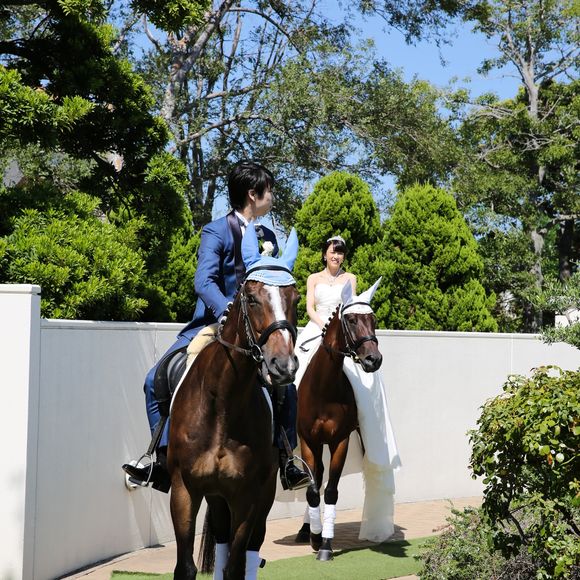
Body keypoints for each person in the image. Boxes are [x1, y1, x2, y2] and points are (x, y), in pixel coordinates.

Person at [123, 161, 310, 492]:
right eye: (269, 191)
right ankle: (161, 459)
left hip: (258, 331)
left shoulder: (268, 237)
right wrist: (227, 310)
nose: (272, 197)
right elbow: (203, 281)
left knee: (286, 387)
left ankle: (287, 459)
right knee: (154, 380)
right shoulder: (216, 231)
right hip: (214, 323)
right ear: (253, 194)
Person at [294, 235, 401, 542]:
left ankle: (367, 428)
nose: (336, 256)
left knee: (365, 380)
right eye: (332, 251)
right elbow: (310, 307)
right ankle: (287, 424)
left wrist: (338, 329)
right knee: (294, 371)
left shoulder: (350, 278)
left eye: (340, 252)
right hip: (317, 329)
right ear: (324, 254)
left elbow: (352, 307)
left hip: (343, 332)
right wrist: (323, 327)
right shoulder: (314, 278)